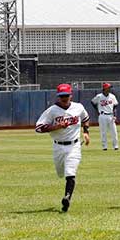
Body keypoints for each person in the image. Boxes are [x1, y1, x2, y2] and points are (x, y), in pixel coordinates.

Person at [35, 83, 90, 212]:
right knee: (60, 173)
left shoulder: (78, 107)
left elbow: (85, 118)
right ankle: (67, 193)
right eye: (62, 96)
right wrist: (57, 126)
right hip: (58, 146)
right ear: (58, 96)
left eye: (66, 95)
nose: (64, 98)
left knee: (70, 173)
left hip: (74, 145)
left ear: (71, 95)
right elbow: (38, 128)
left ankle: (67, 198)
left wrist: (86, 132)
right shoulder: (52, 110)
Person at [90, 82, 119, 151]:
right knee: (103, 132)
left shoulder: (112, 96)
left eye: (110, 88)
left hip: (111, 115)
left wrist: (115, 115)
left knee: (114, 131)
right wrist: (97, 110)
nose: (109, 89)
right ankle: (104, 147)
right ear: (104, 88)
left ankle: (116, 146)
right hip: (102, 115)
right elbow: (92, 102)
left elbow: (115, 105)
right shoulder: (99, 96)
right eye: (108, 88)